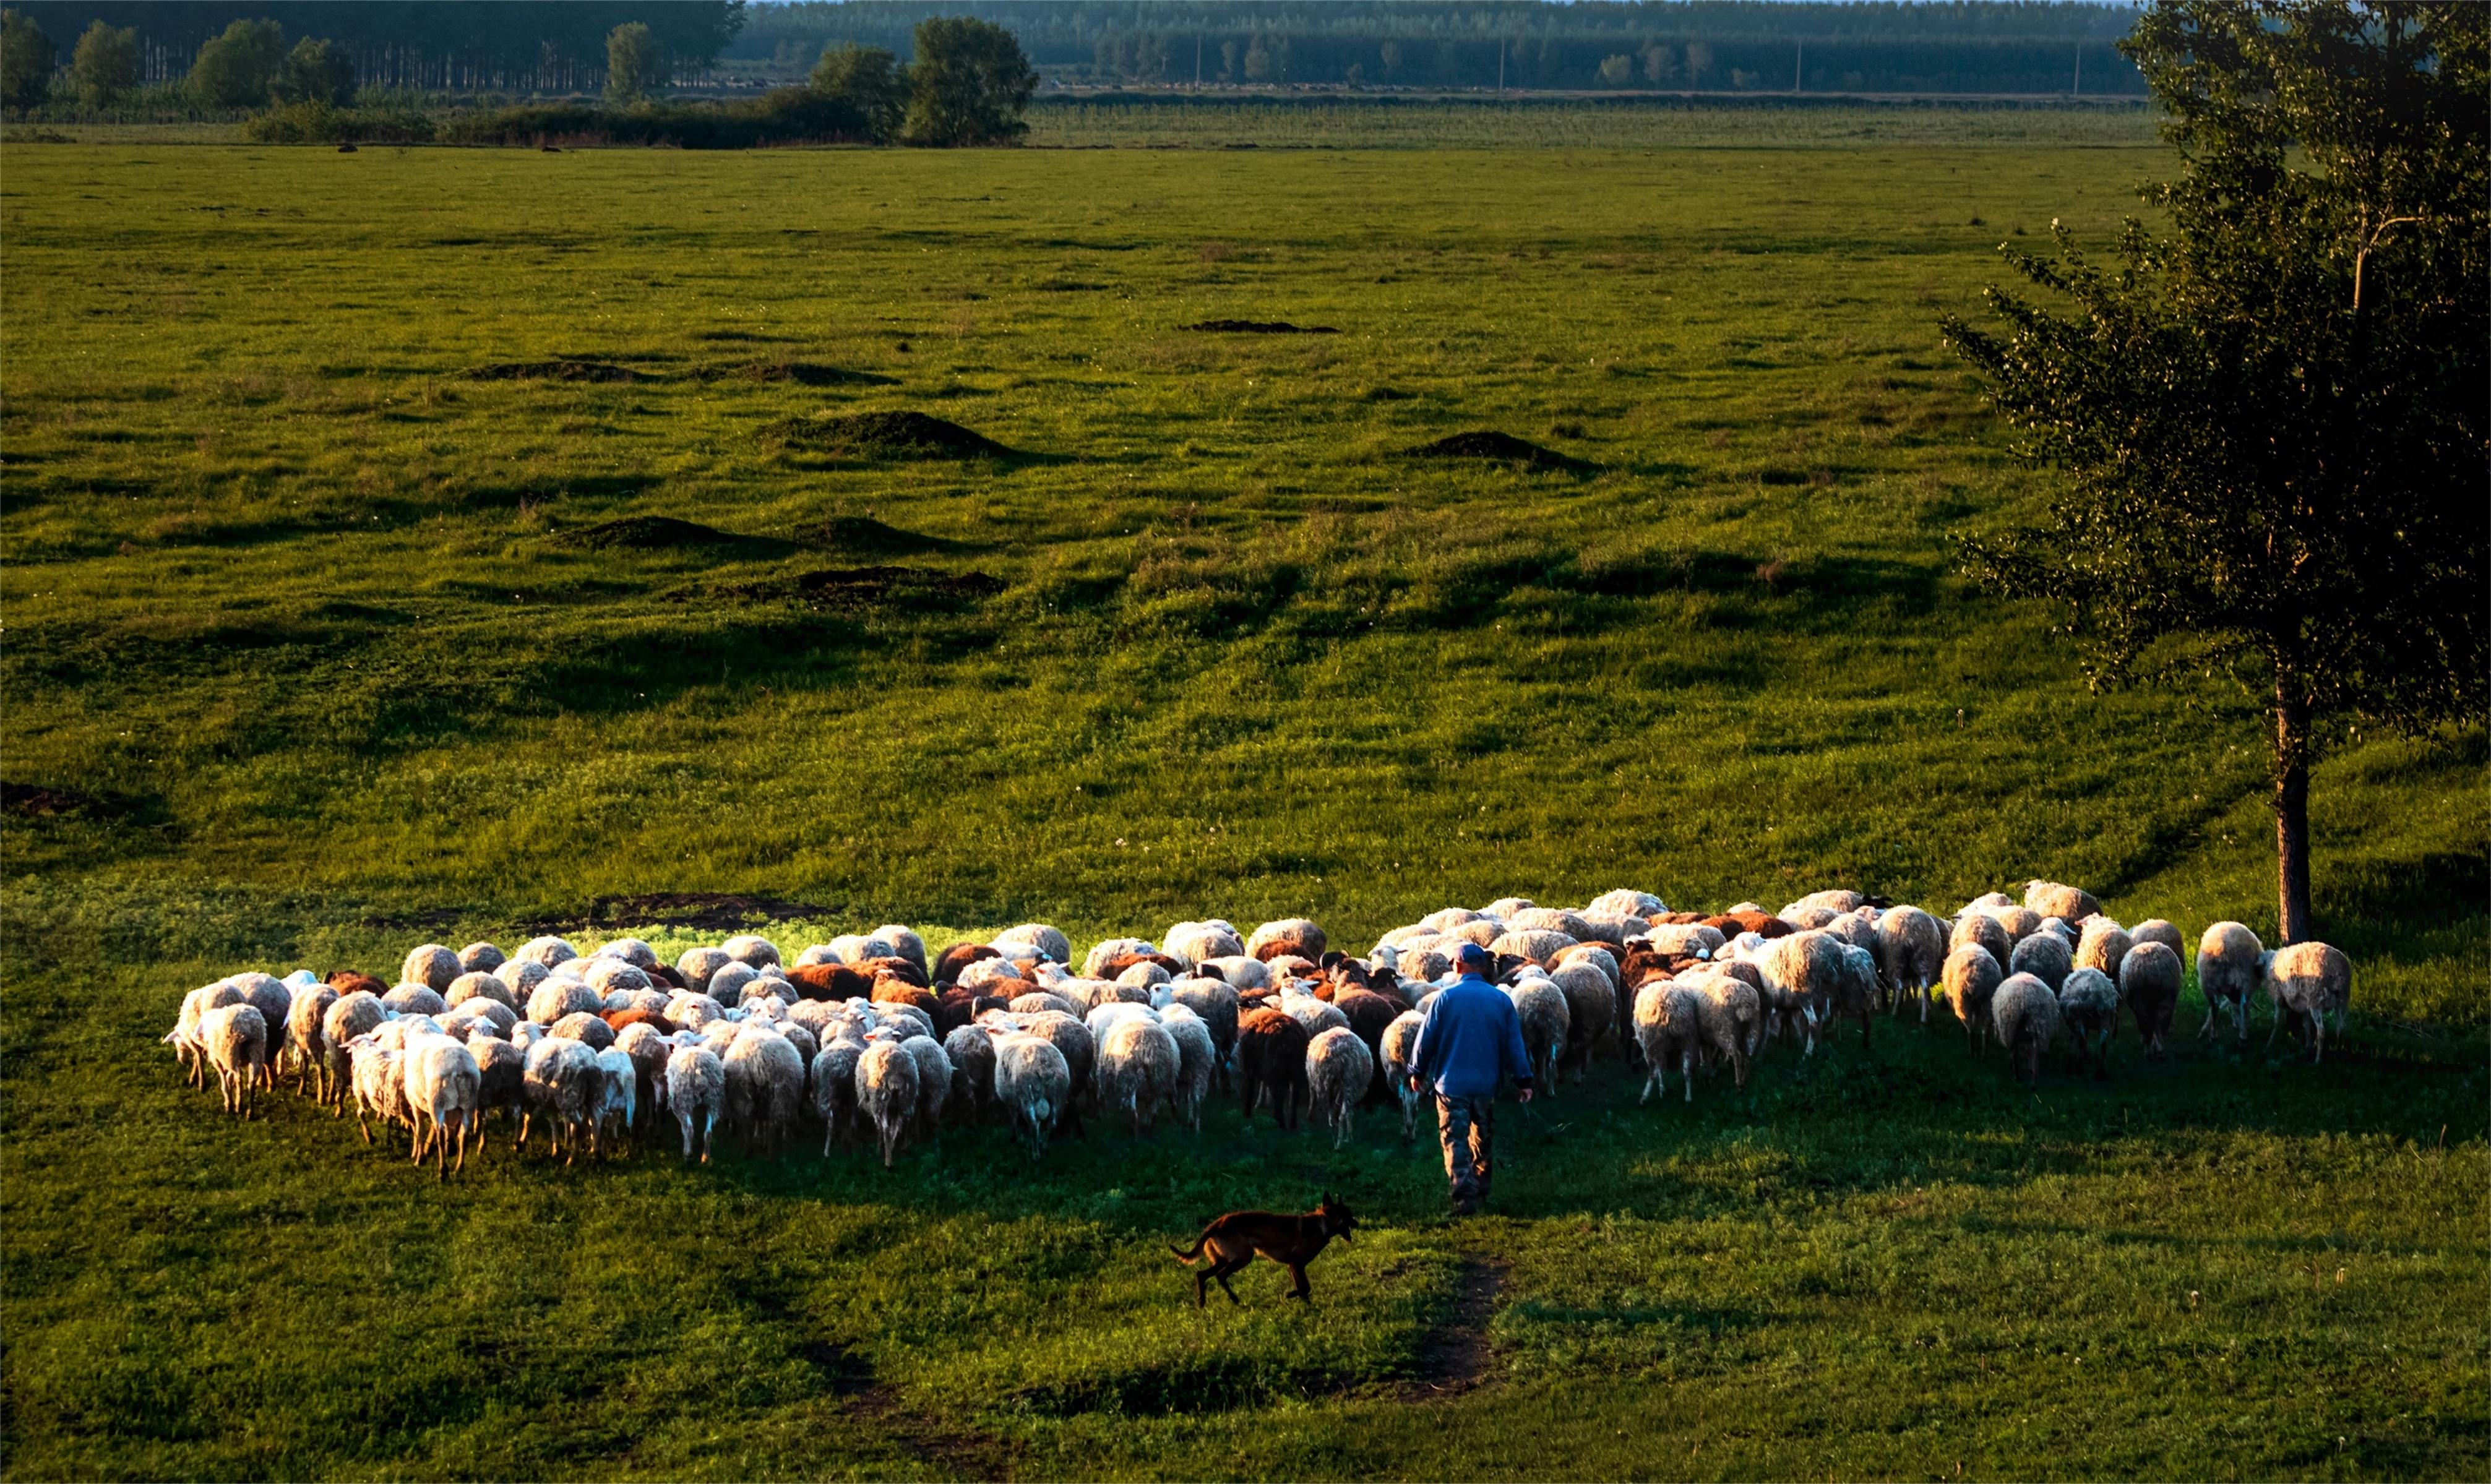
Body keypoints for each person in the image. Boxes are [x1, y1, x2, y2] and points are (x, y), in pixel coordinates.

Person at [1405, 942, 1534, 1215]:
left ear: (1459, 966)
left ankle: (1465, 1198)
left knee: (1455, 1139)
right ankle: (1482, 1189)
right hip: (1487, 1084)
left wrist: (1416, 1071)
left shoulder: (1445, 998)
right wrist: (1523, 1080)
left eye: (1454, 963)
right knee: (1482, 1137)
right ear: (1484, 966)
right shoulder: (1501, 1000)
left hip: (1452, 1085)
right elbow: (1515, 1044)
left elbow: (1425, 1039)